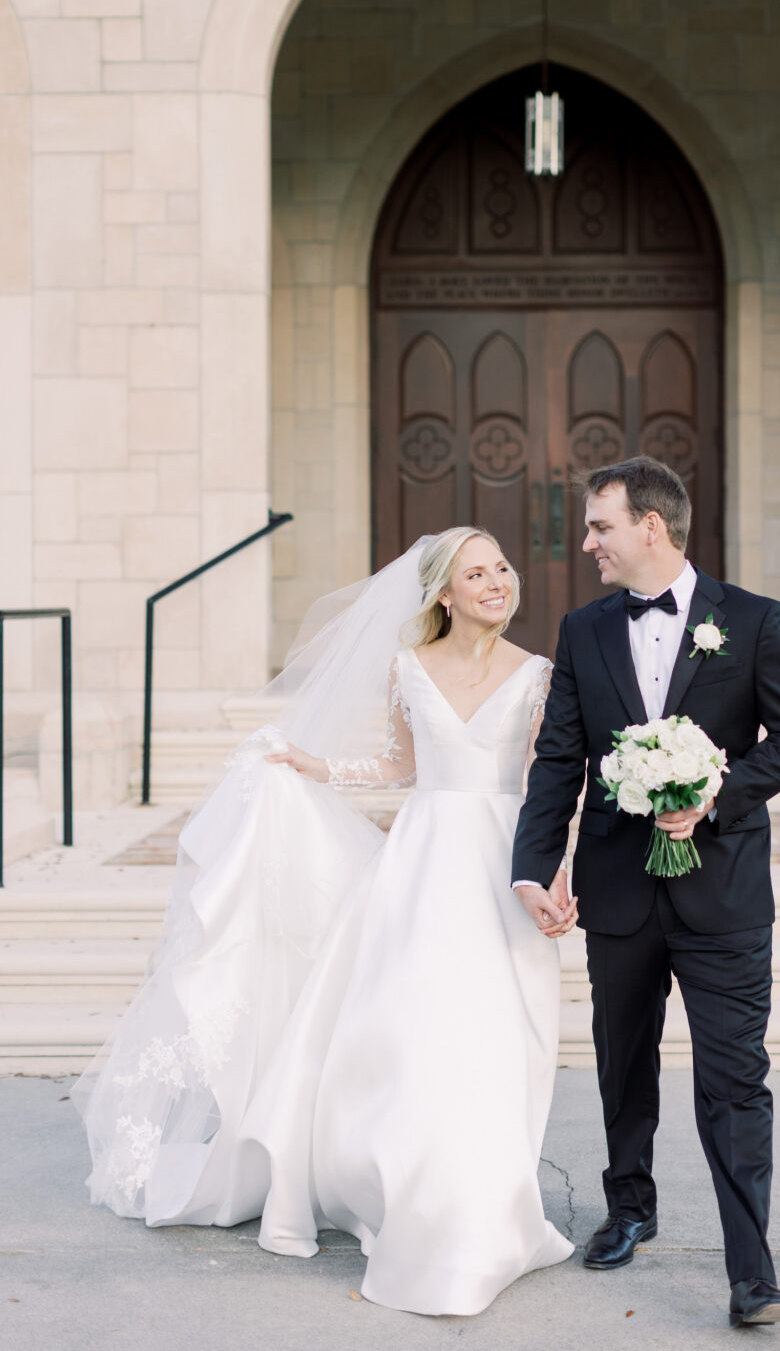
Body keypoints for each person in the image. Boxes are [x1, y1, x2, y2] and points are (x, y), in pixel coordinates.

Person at [74, 528, 576, 1316]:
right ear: (445, 593)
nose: (497, 583)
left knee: (501, 1036)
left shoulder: (541, 675)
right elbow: (400, 768)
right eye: (476, 573)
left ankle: (486, 1206)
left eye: (502, 569)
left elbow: (552, 787)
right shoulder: (407, 668)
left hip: (504, 867)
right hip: (422, 870)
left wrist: (556, 874)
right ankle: (423, 1203)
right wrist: (314, 768)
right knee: (417, 1037)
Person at [511, 456, 780, 1328]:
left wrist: (717, 793)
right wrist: (532, 869)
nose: (588, 544)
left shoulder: (752, 621)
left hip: (722, 893)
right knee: (624, 1062)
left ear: (651, 526)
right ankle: (629, 1206)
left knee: (734, 1079)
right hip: (616, 887)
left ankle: (752, 1272)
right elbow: (557, 762)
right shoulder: (582, 631)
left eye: (601, 527)